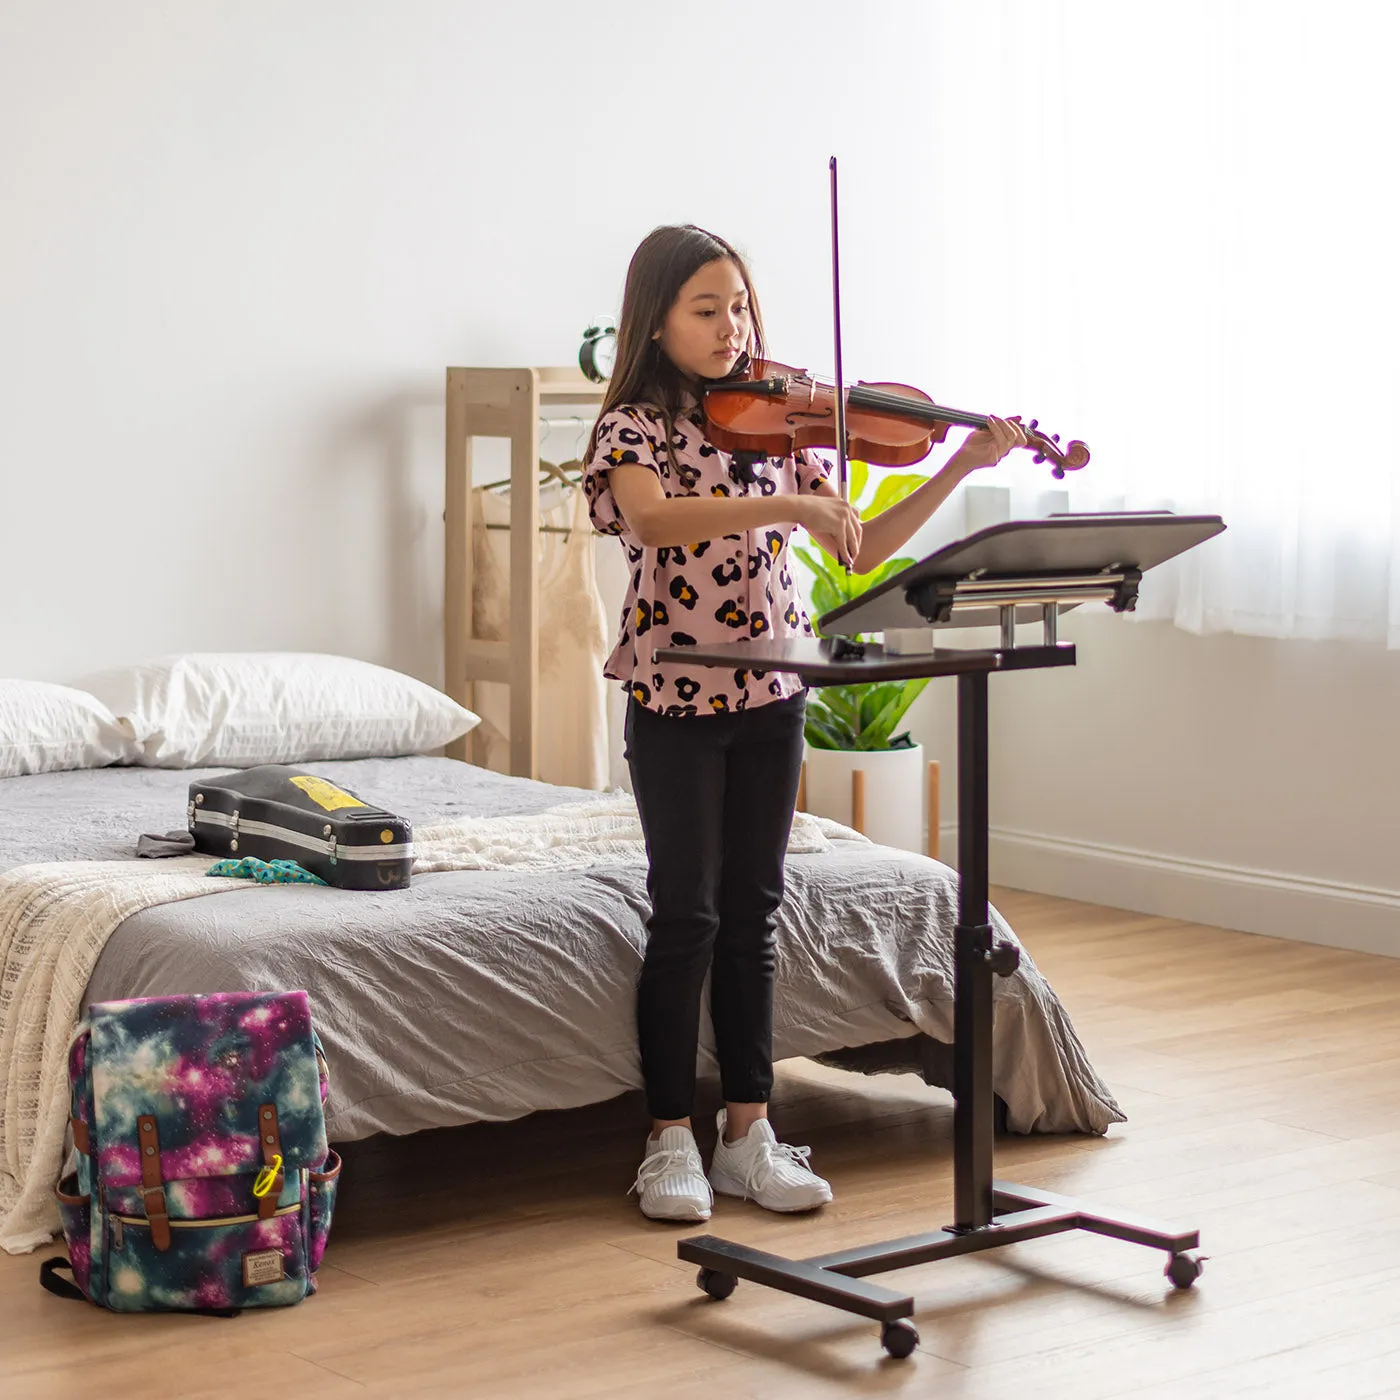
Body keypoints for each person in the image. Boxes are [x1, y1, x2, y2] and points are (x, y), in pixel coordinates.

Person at [583, 224, 1027, 1222]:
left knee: (754, 913)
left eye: (738, 305)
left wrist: (958, 466)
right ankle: (667, 1138)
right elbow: (651, 520)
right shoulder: (631, 429)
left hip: (774, 696)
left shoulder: (782, 427)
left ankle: (747, 1128)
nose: (730, 326)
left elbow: (866, 547)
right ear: (654, 321)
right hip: (677, 699)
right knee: (685, 912)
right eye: (706, 309)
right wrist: (783, 501)